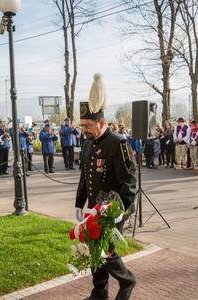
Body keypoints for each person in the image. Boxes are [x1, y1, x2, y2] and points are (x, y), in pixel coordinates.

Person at [76, 73, 136, 300]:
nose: (85, 130)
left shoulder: (119, 143)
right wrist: (80, 202)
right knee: (94, 250)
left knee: (105, 251)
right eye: (82, 126)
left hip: (114, 209)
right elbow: (85, 176)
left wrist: (120, 210)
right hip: (94, 208)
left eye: (88, 125)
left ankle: (127, 280)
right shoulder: (88, 145)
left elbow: (129, 182)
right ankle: (99, 292)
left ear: (101, 122)